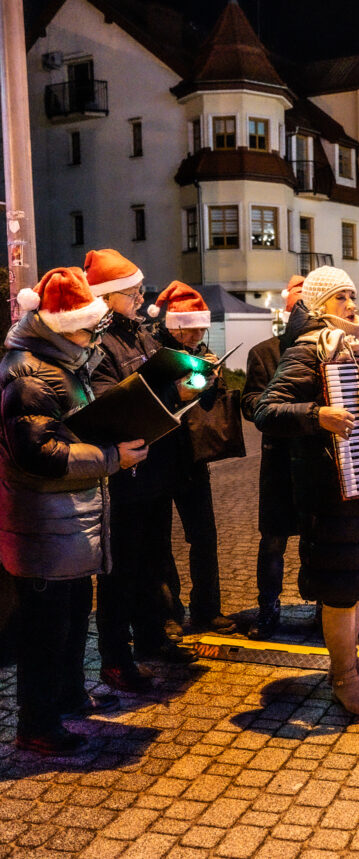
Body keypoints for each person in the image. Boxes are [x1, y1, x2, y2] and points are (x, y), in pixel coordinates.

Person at [1, 267, 148, 754]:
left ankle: (66, 696)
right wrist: (111, 457)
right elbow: (38, 454)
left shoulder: (63, 361)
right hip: (43, 521)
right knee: (44, 629)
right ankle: (36, 725)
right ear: (64, 328)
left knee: (70, 616)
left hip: (68, 516)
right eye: (89, 329)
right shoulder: (29, 372)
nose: (96, 338)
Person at [254, 266, 359, 716]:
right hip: (328, 490)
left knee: (358, 582)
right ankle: (343, 678)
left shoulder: (353, 347)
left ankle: (351, 661)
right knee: (339, 588)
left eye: (351, 296)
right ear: (318, 305)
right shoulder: (307, 348)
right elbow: (265, 410)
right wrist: (317, 416)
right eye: (340, 298)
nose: (351, 305)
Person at [87, 250, 197, 686]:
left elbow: (158, 378)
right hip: (124, 474)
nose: (140, 298)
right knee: (121, 570)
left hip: (154, 469)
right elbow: (110, 401)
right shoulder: (99, 344)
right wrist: (170, 396)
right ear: (107, 297)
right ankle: (116, 657)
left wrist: (189, 382)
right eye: (132, 292)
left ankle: (151, 637)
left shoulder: (141, 334)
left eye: (139, 290)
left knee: (153, 562)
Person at [148, 283, 236, 635]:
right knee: (159, 541)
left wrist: (212, 379)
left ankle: (207, 610)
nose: (199, 335)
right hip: (157, 455)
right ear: (174, 325)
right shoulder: (152, 350)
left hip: (192, 457)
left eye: (203, 328)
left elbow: (209, 403)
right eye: (192, 329)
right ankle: (169, 613)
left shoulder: (200, 351)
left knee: (204, 536)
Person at [240, 275, 304, 639]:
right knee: (273, 541)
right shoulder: (264, 352)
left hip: (319, 460)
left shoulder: (330, 350)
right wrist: (274, 407)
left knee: (318, 538)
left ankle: (326, 609)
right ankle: (268, 608)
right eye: (297, 308)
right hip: (279, 461)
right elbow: (250, 401)